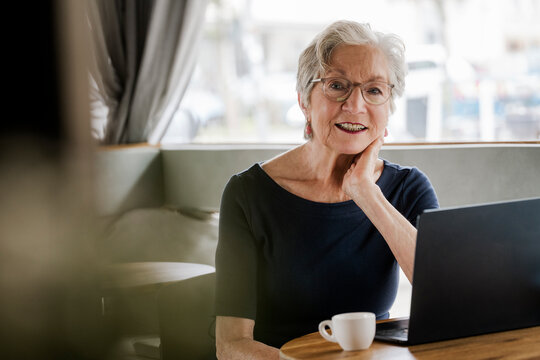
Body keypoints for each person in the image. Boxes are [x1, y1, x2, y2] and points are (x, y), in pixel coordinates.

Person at [214, 20, 439, 359]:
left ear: (389, 107)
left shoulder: (408, 188)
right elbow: (230, 344)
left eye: (374, 90)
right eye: (337, 86)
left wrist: (367, 194)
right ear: (305, 99)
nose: (355, 105)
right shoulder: (247, 194)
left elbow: (445, 293)